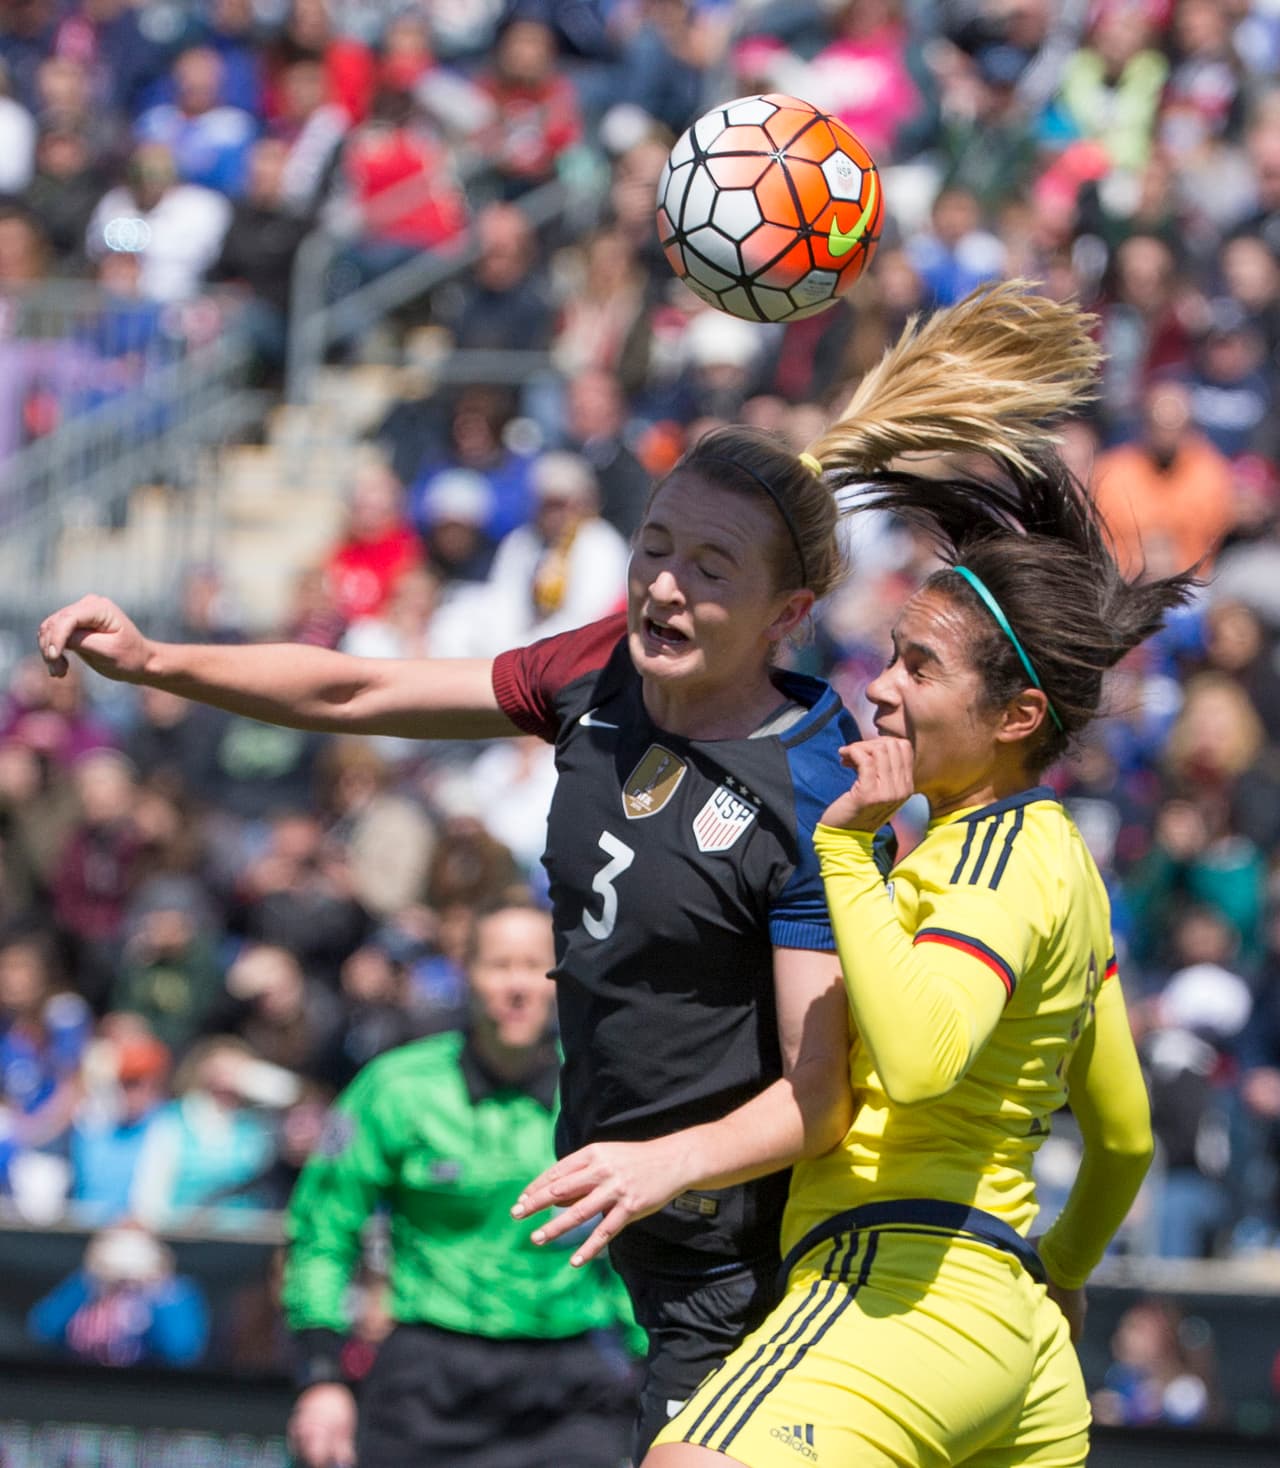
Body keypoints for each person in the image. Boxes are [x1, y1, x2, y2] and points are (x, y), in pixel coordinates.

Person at [38, 281, 1096, 1457]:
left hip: (737, 1255)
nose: (662, 585)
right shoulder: (598, 674)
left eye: (707, 568)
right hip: (623, 1224)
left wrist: (657, 1164)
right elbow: (361, 688)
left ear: (786, 612)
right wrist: (154, 659)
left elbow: (818, 1097)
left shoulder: (815, 785)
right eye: (652, 546)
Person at [643, 438, 1193, 1465]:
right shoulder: (1060, 868)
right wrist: (1057, 1275)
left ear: (1016, 716)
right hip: (1005, 1337)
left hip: (895, 1293)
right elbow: (1120, 1138)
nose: (882, 686)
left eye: (919, 666)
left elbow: (921, 1054)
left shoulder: (985, 856)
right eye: (891, 651)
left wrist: (845, 848)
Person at [282, 899, 639, 1468]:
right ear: (465, 973)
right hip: (429, 1381)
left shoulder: (609, 1092)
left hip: (572, 1386)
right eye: (499, 965)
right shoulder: (398, 1088)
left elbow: (640, 1241)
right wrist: (322, 1377)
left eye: (535, 965)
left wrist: (652, 1364)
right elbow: (323, 1230)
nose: (518, 985)